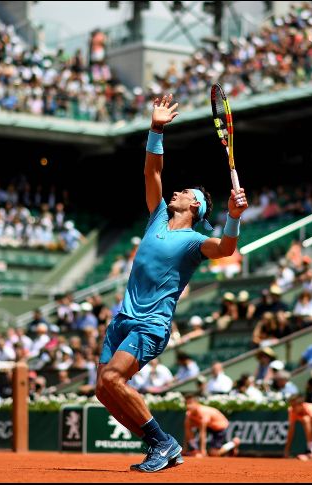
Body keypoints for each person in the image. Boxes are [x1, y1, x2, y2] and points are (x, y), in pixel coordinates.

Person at [94, 94, 248, 473]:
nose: (176, 192)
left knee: (114, 377)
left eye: (185, 193)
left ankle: (163, 441)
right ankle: (158, 446)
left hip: (151, 324)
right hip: (122, 319)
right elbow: (152, 174)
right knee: (103, 389)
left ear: (195, 206)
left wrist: (234, 217)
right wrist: (156, 128)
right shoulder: (157, 218)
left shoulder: (195, 242)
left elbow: (227, 248)